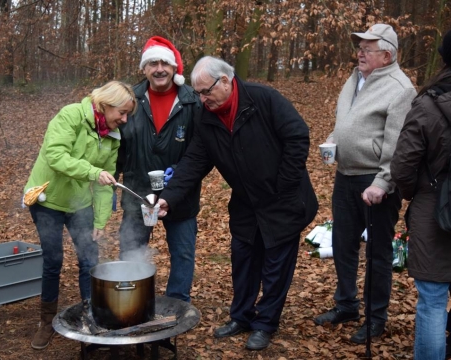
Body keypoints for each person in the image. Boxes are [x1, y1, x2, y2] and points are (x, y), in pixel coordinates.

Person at [156, 56, 318, 350]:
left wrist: (284, 185)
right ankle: (241, 316)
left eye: (207, 92)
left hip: (284, 200)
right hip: (245, 202)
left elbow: (298, 136)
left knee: (275, 266)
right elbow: (194, 160)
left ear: (226, 82)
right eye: (199, 94)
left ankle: (266, 323)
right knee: (243, 260)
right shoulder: (207, 117)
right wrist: (169, 197)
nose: (203, 99)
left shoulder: (263, 99)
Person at [313, 23, 416, 344]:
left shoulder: (400, 89)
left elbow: (398, 143)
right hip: (346, 177)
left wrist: (383, 182)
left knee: (378, 253)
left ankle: (375, 318)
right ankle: (346, 305)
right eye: (359, 46)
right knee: (343, 244)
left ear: (386, 55)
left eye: (367, 48)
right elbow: (346, 122)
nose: (360, 52)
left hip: (376, 184)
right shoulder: (356, 78)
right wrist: (333, 141)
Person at [24, 81, 136, 350]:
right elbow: (55, 156)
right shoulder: (71, 115)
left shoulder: (113, 136)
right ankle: (47, 321)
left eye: (128, 115)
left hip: (80, 203)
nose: (124, 119)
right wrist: (92, 172)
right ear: (105, 104)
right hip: (47, 199)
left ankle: (91, 314)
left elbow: (104, 182)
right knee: (53, 260)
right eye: (121, 112)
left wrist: (100, 220)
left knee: (89, 259)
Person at [116, 36, 202, 302]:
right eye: (152, 63)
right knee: (131, 248)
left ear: (175, 67)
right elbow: (117, 147)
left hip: (181, 193)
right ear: (144, 68)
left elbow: (201, 151)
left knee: (183, 252)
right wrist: (108, 181)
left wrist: (178, 172)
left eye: (165, 62)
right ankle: (131, 299)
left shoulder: (192, 102)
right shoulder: (131, 99)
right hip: (136, 190)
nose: (159, 69)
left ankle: (177, 304)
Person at [391, 29, 451, 360]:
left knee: (432, 299)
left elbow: (403, 166)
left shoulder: (427, 104)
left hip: (433, 211)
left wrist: (419, 193)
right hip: (434, 207)